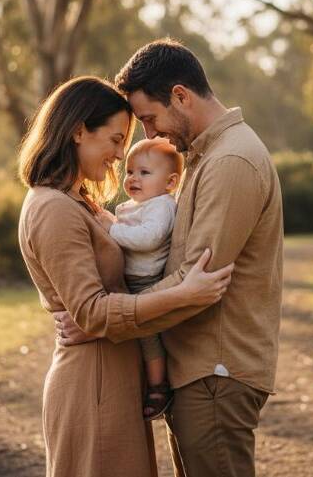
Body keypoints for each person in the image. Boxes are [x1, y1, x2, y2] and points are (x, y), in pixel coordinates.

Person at [55, 39, 284, 477]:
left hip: (216, 371)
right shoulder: (206, 156)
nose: (149, 135)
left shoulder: (231, 160)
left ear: (180, 96)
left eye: (148, 119)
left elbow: (195, 282)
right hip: (198, 370)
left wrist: (103, 322)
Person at [17, 75, 234, 477]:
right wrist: (183, 294)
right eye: (116, 140)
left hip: (110, 379)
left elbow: (99, 307)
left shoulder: (81, 203)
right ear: (79, 130)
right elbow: (92, 313)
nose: (120, 155)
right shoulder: (53, 208)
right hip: (92, 386)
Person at [94, 137, 184, 419]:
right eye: (130, 171)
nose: (133, 178)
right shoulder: (135, 205)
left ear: (170, 183)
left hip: (146, 281)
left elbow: (149, 238)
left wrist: (111, 229)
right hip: (127, 279)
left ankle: (159, 385)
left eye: (144, 173)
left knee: (147, 334)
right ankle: (143, 379)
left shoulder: (162, 206)